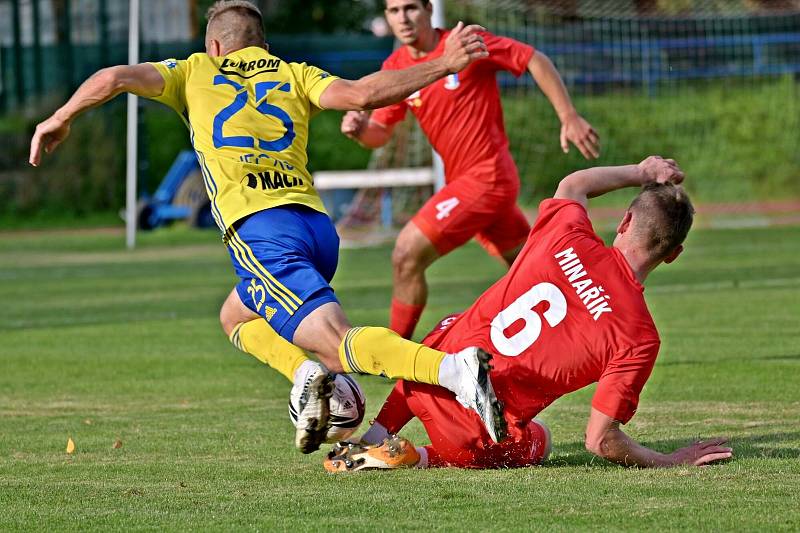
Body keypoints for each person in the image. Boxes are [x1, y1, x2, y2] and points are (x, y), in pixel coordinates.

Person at [28, 0, 508, 454]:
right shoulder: (293, 73)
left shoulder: (194, 69)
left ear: (215, 45)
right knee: (236, 316)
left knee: (339, 346)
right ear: (265, 47)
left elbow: (113, 77)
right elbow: (363, 92)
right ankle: (305, 378)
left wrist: (60, 116)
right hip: (317, 229)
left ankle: (453, 371)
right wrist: (442, 63)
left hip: (261, 231)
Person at [324, 156, 734, 472]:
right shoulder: (639, 337)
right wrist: (671, 460)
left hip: (426, 377)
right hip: (471, 433)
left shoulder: (567, 232)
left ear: (625, 221)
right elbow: (600, 441)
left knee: (454, 325)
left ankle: (374, 436)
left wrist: (641, 170)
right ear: (673, 255)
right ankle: (418, 458)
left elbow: (574, 184)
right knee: (542, 440)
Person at [341, 0, 601, 340]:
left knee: (406, 254)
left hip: (486, 178)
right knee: (535, 269)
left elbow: (532, 58)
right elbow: (380, 134)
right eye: (393, 11)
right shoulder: (397, 66)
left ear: (428, 9)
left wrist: (568, 116)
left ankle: (395, 352)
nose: (402, 18)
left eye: (410, 8)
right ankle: (592, 332)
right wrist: (360, 129)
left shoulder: (463, 43)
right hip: (471, 184)